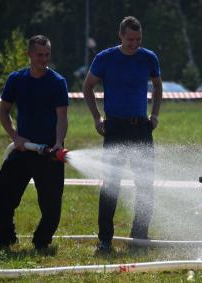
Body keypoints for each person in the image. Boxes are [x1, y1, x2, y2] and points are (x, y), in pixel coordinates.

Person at [83, 16, 162, 252]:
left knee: (146, 184)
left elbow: (157, 85)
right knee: (111, 185)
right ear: (121, 36)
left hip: (141, 127)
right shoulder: (105, 58)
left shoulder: (149, 58)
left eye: (138, 40)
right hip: (114, 128)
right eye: (130, 39)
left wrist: (154, 114)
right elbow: (88, 86)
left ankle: (139, 236)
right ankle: (105, 239)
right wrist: (97, 117)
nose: (134, 44)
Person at [0, 35, 69, 252]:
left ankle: (42, 242)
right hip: (23, 148)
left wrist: (57, 143)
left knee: (51, 203)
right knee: (2, 193)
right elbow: (3, 111)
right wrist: (15, 137)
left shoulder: (57, 82)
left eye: (47, 55)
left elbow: (62, 117)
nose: (43, 59)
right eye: (39, 55)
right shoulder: (16, 80)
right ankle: (5, 238)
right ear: (29, 54)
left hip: (49, 152)